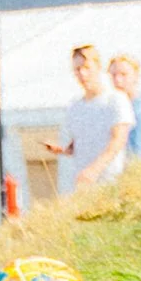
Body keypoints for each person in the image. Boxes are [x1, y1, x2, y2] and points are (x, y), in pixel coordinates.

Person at [59, 47, 130, 193]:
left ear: (98, 67)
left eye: (86, 68)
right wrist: (63, 149)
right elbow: (79, 143)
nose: (82, 73)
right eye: (77, 69)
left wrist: (94, 170)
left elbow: (118, 140)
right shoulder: (75, 106)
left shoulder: (115, 100)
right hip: (84, 186)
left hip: (112, 183)